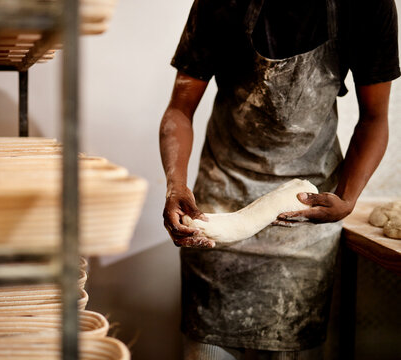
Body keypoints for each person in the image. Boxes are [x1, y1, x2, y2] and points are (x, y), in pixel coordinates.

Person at [159, 0, 399, 359]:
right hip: (222, 206)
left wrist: (347, 197)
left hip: (306, 217)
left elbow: (374, 119)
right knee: (208, 348)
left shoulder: (366, 5)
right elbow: (180, 108)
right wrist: (176, 184)